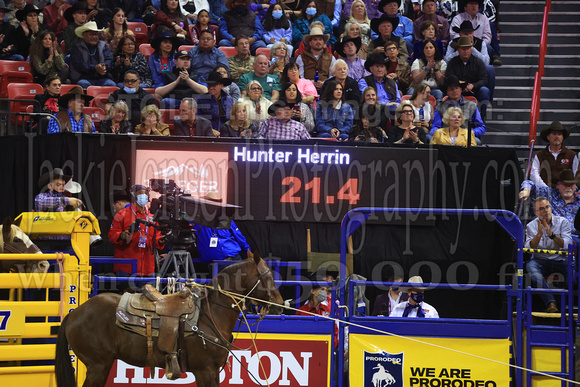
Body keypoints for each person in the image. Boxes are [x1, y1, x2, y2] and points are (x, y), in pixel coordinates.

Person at [524, 196, 572, 313]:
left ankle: (567, 305)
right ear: (535, 212)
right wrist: (539, 234)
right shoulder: (531, 226)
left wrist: (552, 235)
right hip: (541, 260)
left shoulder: (563, 222)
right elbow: (529, 248)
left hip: (561, 259)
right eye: (541, 209)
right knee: (531, 267)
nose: (546, 211)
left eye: (547, 207)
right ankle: (551, 302)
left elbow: (567, 244)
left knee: (573, 270)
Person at [108, 184, 166, 277]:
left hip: (148, 269)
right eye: (140, 194)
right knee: (127, 292)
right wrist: (121, 236)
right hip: (127, 268)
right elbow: (112, 235)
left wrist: (161, 240)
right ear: (134, 196)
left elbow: (155, 238)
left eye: (146, 194)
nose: (144, 196)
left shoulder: (151, 216)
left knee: (150, 291)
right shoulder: (122, 214)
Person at [520, 170, 580, 235]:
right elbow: (528, 183)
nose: (568, 187)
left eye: (571, 184)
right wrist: (526, 190)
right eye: (565, 184)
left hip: (576, 238)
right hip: (552, 237)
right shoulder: (549, 194)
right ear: (558, 185)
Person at [430, 75, 486, 140]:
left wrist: (470, 132)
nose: (454, 91)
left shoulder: (472, 106)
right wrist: (440, 133)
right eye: (451, 89)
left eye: (457, 88)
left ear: (461, 90)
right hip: (445, 137)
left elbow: (481, 127)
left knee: (477, 141)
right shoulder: (440, 106)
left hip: (465, 137)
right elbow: (435, 127)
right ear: (447, 92)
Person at [445, 36, 490, 115]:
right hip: (456, 89)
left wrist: (473, 85)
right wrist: (458, 84)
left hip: (474, 90)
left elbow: (484, 79)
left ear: (471, 49)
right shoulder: (452, 62)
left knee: (484, 91)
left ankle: (481, 117)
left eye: (468, 48)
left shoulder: (478, 62)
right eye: (463, 49)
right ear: (458, 50)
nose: (466, 51)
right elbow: (448, 78)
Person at [529, 121, 577, 189]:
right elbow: (534, 174)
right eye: (554, 134)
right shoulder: (540, 154)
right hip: (544, 192)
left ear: (562, 138)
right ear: (548, 137)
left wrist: (567, 187)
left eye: (559, 134)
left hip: (565, 192)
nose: (557, 136)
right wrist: (545, 188)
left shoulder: (571, 154)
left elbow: (576, 174)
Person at [69, 21, 116, 88]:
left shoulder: (103, 46)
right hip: (85, 78)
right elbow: (79, 64)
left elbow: (109, 59)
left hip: (102, 78)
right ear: (83, 35)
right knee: (82, 84)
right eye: (91, 34)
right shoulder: (77, 48)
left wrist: (104, 66)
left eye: (96, 34)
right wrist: (94, 68)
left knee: (111, 84)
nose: (94, 37)